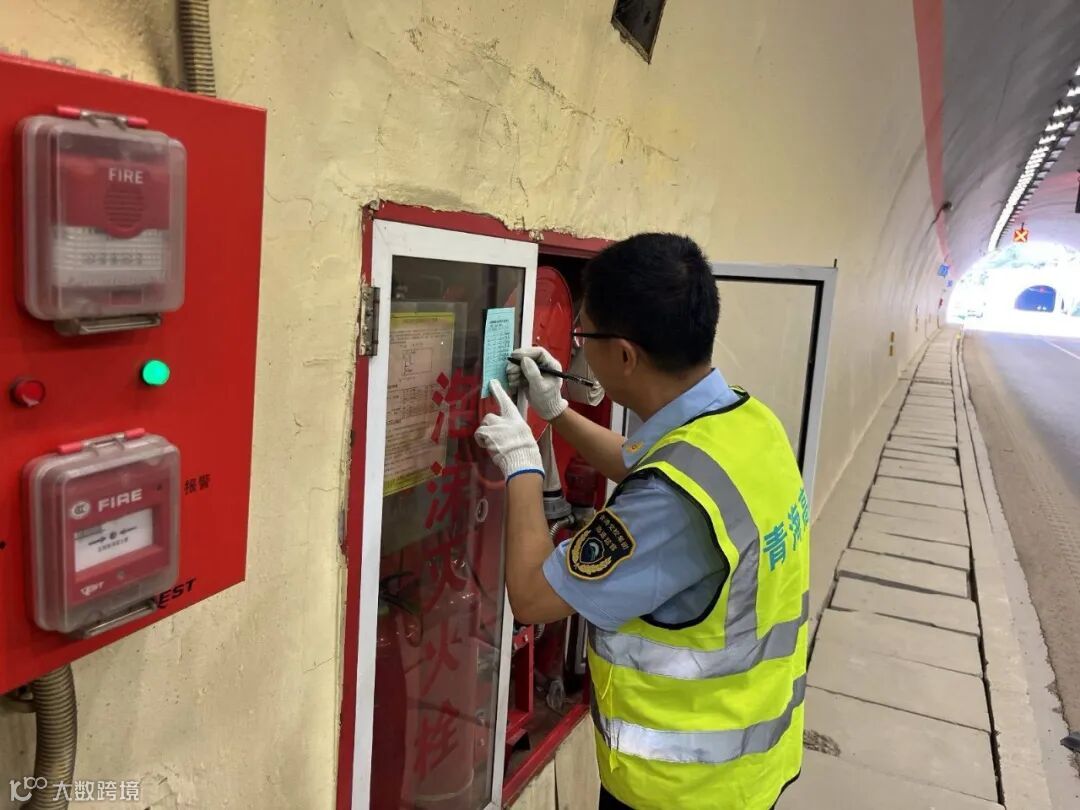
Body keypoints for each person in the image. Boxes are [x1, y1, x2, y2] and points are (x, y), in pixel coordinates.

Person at [475, 234, 809, 810]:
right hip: (751, 766)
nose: (578, 350)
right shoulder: (747, 423)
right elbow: (640, 461)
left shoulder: (673, 501)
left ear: (625, 356)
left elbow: (530, 596)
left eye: (583, 337)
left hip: (682, 790)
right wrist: (556, 411)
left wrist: (522, 462)